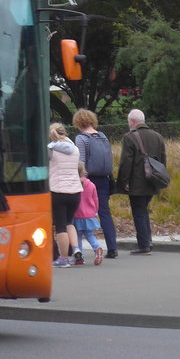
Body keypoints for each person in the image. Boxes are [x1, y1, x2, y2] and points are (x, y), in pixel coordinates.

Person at [117, 108, 168, 255]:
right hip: (153, 180)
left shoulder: (129, 137)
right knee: (143, 210)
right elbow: (163, 160)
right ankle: (148, 241)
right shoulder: (158, 137)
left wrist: (123, 182)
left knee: (139, 212)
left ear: (132, 122)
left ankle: (144, 245)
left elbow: (126, 163)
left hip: (136, 182)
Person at [73, 108, 118, 259]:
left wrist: (80, 178)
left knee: (81, 212)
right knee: (105, 212)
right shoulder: (103, 136)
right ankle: (112, 247)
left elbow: (81, 161)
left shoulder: (81, 138)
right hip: (104, 179)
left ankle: (76, 247)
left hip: (88, 180)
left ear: (78, 122)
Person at [47, 122, 83, 268]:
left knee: (60, 226)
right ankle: (76, 248)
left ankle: (62, 258)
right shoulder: (75, 149)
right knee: (69, 222)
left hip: (58, 191)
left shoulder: (50, 150)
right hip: (75, 191)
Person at [73, 162, 105, 265]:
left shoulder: (73, 185)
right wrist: (95, 211)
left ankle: (79, 257)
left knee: (77, 236)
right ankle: (97, 248)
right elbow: (96, 200)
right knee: (89, 235)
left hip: (77, 214)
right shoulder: (91, 185)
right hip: (89, 215)